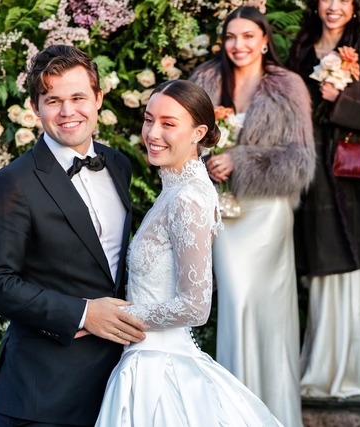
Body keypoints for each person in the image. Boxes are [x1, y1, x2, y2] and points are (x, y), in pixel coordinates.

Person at [0, 45, 147, 427]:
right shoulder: (9, 186)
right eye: (54, 100)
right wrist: (85, 312)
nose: (68, 112)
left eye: (78, 97)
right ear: (36, 107)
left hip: (118, 385)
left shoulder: (118, 165)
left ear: (98, 99)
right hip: (43, 393)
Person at [95, 79, 282, 426]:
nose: (153, 132)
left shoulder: (188, 198)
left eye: (168, 124)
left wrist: (114, 318)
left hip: (159, 368)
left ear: (198, 132)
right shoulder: (174, 189)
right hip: (146, 358)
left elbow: (196, 306)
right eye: (149, 119)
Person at [189, 6, 316, 426]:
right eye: (231, 37)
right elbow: (179, 138)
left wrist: (239, 159)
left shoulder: (288, 86)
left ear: (264, 40)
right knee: (236, 301)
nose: (238, 45)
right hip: (223, 215)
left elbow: (300, 161)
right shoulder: (205, 81)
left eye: (247, 37)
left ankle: (277, 413)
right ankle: (236, 415)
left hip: (267, 215)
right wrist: (205, 161)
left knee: (271, 314)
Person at [286, 0, 360, 398]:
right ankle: (323, 373)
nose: (334, 5)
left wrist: (341, 100)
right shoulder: (300, 55)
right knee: (326, 277)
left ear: (355, 8)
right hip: (316, 181)